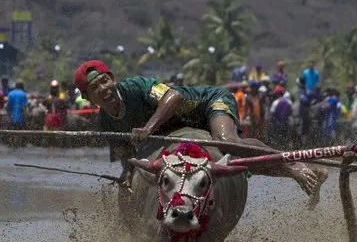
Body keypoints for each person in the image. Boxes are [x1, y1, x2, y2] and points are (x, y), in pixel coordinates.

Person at [73, 60, 327, 208]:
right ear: (88, 98)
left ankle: (293, 165)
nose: (103, 89)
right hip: (176, 131)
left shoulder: (135, 87)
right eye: (95, 88)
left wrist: (148, 128)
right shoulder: (106, 121)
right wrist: (126, 177)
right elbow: (125, 156)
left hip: (204, 105)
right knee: (129, 190)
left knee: (226, 143)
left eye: (105, 81)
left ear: (113, 79)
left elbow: (174, 97)